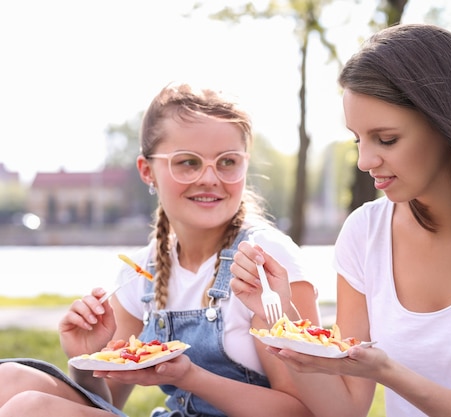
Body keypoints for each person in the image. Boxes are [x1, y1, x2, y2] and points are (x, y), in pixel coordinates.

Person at [230, 23, 451, 417]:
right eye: (357, 139)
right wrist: (280, 318)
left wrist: (390, 374)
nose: (365, 161)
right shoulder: (364, 234)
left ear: (447, 126)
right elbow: (344, 409)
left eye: (387, 139)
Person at [0, 82, 319, 417]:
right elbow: (108, 402)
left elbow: (304, 411)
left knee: (29, 408)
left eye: (227, 161)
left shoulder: (265, 260)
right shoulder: (143, 270)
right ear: (146, 171)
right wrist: (85, 360)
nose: (210, 178)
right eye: (188, 162)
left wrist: (190, 376)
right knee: (8, 379)